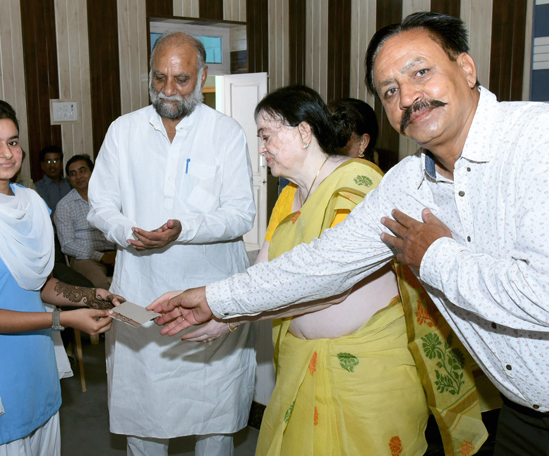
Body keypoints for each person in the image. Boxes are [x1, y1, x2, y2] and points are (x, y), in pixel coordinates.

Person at [150, 11, 549, 456]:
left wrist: (434, 255)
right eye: (390, 90)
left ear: (467, 68)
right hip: (522, 411)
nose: (409, 97)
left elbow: (541, 294)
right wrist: (216, 301)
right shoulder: (407, 183)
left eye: (421, 72)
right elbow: (323, 263)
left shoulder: (537, 141)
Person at [164, 84, 492, 455]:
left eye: (267, 135)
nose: (261, 148)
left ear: (304, 132)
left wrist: (223, 307)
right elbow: (264, 272)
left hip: (367, 376)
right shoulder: (289, 195)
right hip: (300, 366)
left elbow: (325, 282)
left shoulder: (359, 182)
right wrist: (227, 317)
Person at [87, 32, 257, 456]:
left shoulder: (226, 132)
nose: (168, 90)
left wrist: (184, 228)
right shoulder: (123, 131)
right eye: (159, 77)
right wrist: (127, 232)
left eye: (181, 79)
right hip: (140, 293)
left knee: (215, 418)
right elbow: (99, 203)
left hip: (211, 298)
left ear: (202, 76)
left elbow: (241, 213)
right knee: (143, 416)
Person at [0, 100, 121, 455]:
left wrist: (90, 295)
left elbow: (41, 284)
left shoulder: (31, 203)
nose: (6, 153)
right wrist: (64, 319)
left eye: (13, 142)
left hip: (37, 359)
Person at [55, 154, 116, 289]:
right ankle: (110, 311)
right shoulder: (65, 205)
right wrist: (101, 257)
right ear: (69, 179)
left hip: (116, 252)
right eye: (73, 174)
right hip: (85, 258)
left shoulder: (109, 198)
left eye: (83, 171)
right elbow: (67, 245)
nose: (79, 177)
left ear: (93, 172)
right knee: (100, 284)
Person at [34, 145, 72, 213]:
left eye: (56, 161)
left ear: (61, 164)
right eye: (48, 161)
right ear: (42, 165)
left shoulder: (70, 183)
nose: (52, 165)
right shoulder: (37, 188)